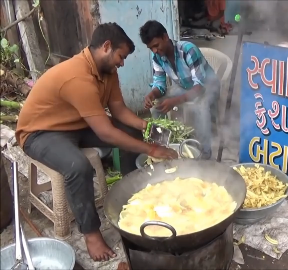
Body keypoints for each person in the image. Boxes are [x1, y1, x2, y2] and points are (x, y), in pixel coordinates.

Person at [15, 22, 178, 262]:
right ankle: (90, 233)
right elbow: (106, 133)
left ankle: (135, 194)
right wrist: (152, 149)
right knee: (77, 166)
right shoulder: (77, 76)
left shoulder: (107, 72)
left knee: (131, 133)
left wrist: (146, 128)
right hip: (40, 133)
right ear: (106, 46)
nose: (122, 63)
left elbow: (119, 111)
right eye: (121, 57)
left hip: (75, 125)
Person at [140, 20, 220, 160]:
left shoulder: (188, 50)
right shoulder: (157, 57)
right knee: (156, 106)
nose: (154, 51)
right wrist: (152, 94)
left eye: (156, 45)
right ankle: (165, 145)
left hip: (207, 87)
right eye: (151, 48)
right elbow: (160, 85)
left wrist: (175, 101)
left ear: (165, 37)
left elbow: (199, 87)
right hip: (185, 87)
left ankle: (205, 156)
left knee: (200, 107)